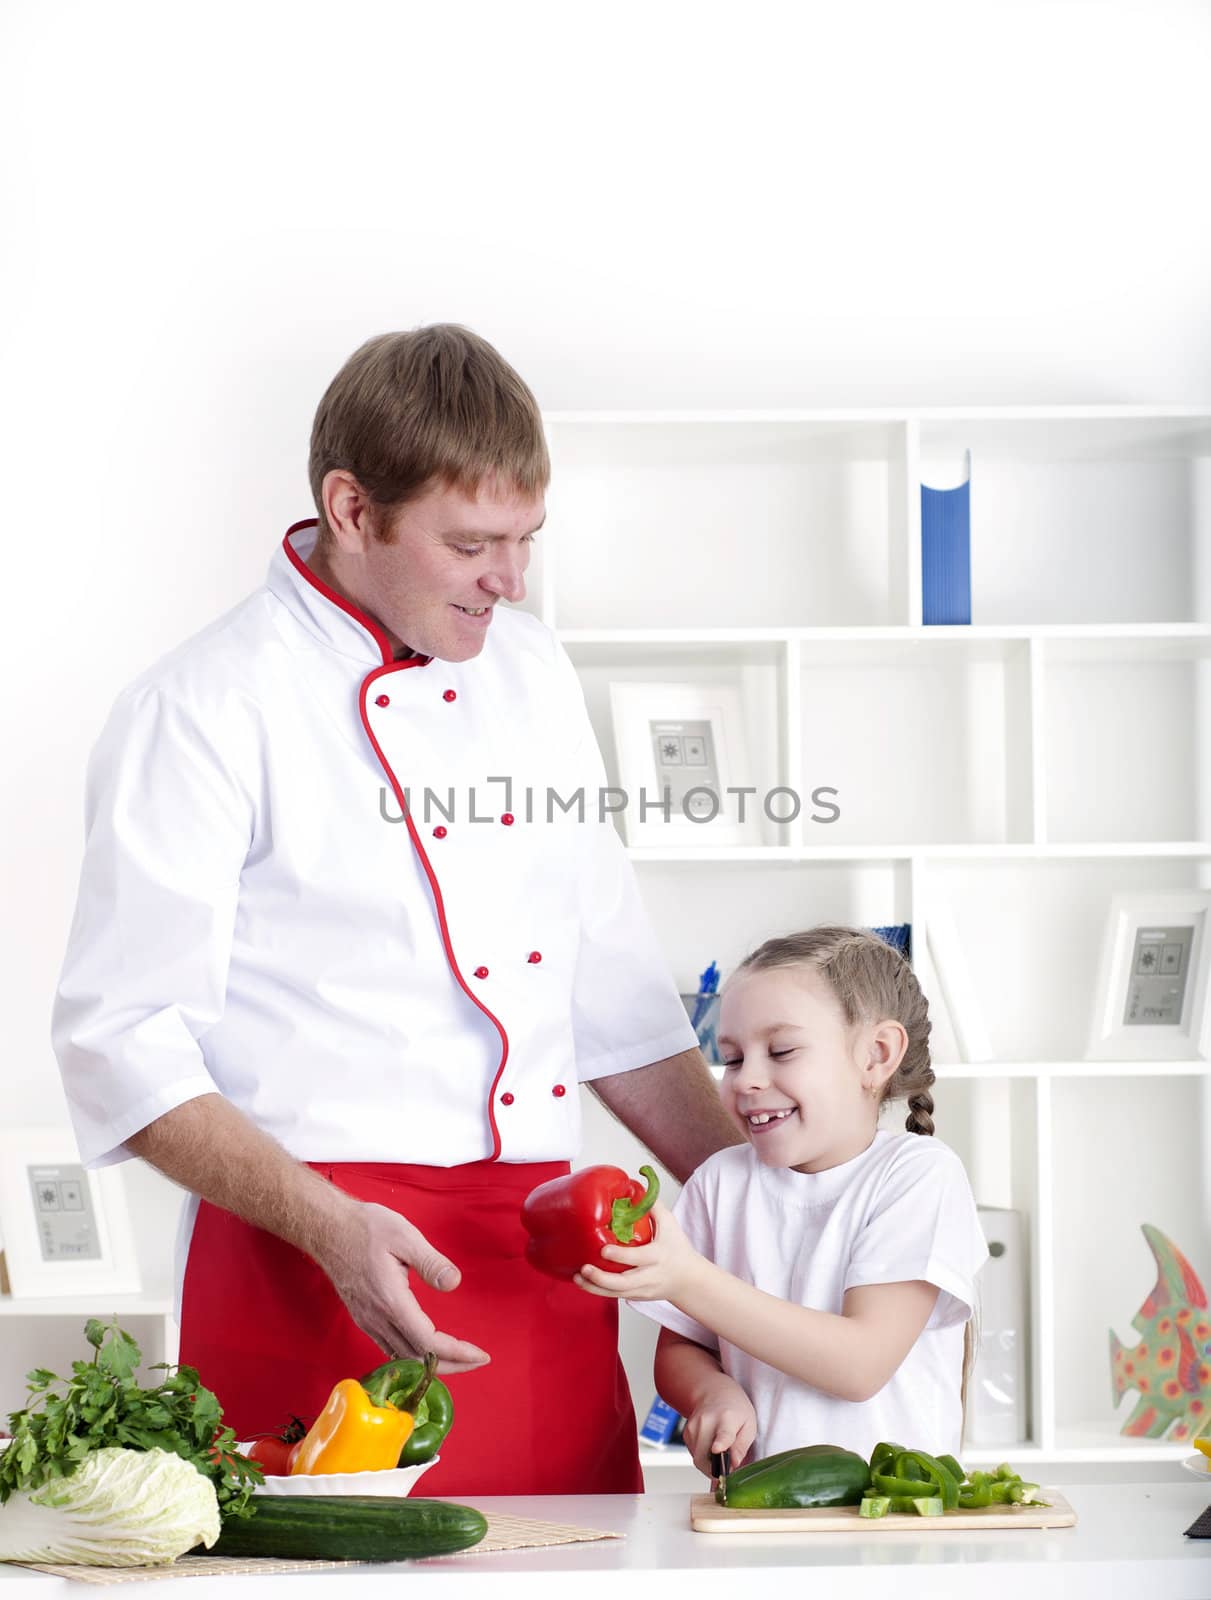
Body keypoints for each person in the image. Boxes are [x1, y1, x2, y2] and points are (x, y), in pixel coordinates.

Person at [51, 324, 741, 1497]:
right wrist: (326, 1225)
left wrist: (784, 1227)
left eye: (525, 541)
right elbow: (121, 1043)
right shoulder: (203, 706)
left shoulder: (532, 673)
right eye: (470, 544)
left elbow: (616, 1002)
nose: (508, 581)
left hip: (543, 1262)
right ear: (352, 508)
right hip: (314, 1267)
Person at [574, 926, 988, 1474]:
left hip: (893, 1517)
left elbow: (859, 1365)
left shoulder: (917, 1177)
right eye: (733, 1058)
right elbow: (682, 1349)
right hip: (755, 1510)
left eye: (782, 1050)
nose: (747, 1080)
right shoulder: (719, 1182)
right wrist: (711, 1392)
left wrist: (688, 1279)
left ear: (877, 1055)